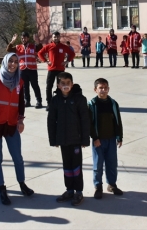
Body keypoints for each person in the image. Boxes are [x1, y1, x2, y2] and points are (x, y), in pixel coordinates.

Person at [0, 53, 34, 205]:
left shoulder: (20, 81)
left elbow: (21, 104)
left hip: (11, 124)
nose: (12, 64)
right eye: (10, 61)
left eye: (15, 62)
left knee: (18, 157)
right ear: (5, 62)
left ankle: (22, 184)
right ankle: (2, 188)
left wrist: (21, 120)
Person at [47, 72, 90, 206]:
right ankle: (69, 190)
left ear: (72, 84)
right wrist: (53, 139)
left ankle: (79, 192)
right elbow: (51, 120)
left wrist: (84, 139)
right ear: (58, 85)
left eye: (68, 83)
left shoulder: (79, 99)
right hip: (63, 139)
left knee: (76, 166)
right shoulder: (55, 100)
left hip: (76, 140)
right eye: (63, 83)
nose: (65, 86)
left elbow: (85, 119)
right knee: (67, 166)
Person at [88, 78, 124, 199]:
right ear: (95, 90)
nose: (103, 90)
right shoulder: (92, 104)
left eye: (105, 88)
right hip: (98, 140)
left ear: (108, 89)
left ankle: (112, 184)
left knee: (112, 163)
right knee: (98, 165)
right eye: (100, 88)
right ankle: (98, 186)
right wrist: (95, 137)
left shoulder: (113, 103)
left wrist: (119, 136)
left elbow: (118, 121)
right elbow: (90, 123)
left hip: (111, 139)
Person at [37, 32, 76, 110]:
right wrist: (46, 61)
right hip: (51, 69)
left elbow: (72, 54)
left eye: (57, 37)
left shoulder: (63, 47)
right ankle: (49, 103)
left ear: (59, 37)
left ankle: (60, 102)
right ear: (52, 38)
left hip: (60, 70)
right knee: (49, 87)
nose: (56, 38)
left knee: (61, 87)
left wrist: (67, 61)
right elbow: (40, 53)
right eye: (54, 37)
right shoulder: (49, 46)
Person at [7, 33, 42, 108]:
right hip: (22, 70)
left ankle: (39, 101)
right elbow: (8, 49)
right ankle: (27, 101)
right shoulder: (18, 47)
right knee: (25, 86)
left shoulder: (33, 46)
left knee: (35, 85)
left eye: (25, 38)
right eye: (22, 38)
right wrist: (12, 41)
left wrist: (37, 41)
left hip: (32, 69)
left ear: (28, 38)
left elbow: (40, 48)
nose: (23, 39)